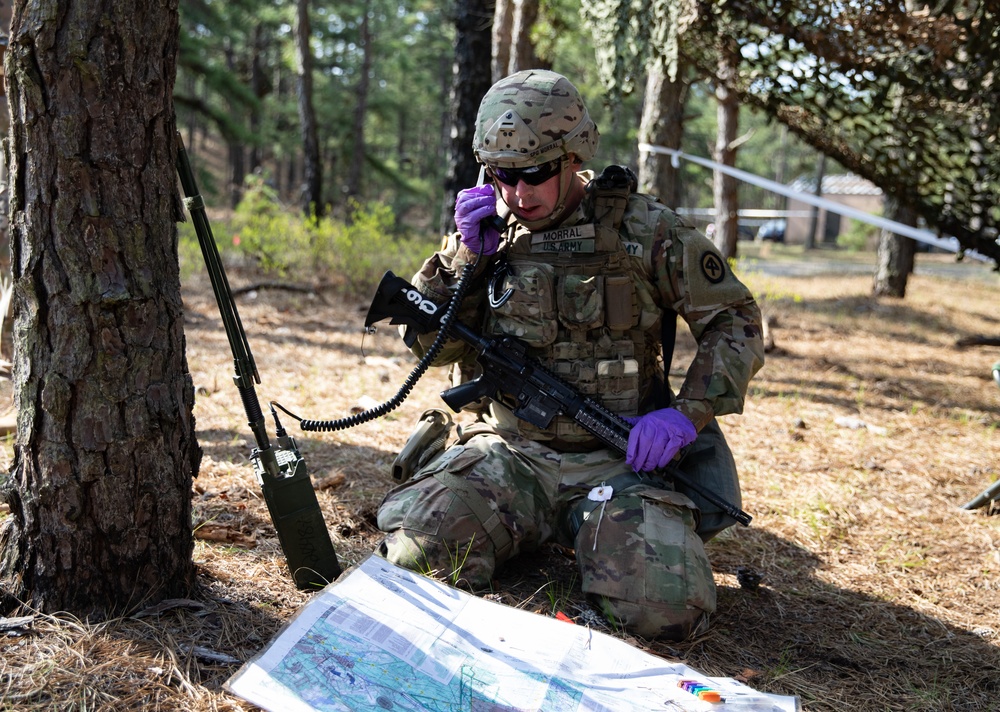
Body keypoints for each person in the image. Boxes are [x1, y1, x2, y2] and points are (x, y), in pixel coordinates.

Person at [376, 69, 765, 641]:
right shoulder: (486, 233)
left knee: (666, 613)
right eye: (502, 175)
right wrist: (464, 264)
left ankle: (586, 536)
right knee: (413, 563)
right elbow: (433, 351)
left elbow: (736, 319)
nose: (518, 193)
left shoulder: (644, 230)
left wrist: (686, 415)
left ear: (572, 155)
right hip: (510, 454)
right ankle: (527, 530)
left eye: (535, 173)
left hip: (618, 461)